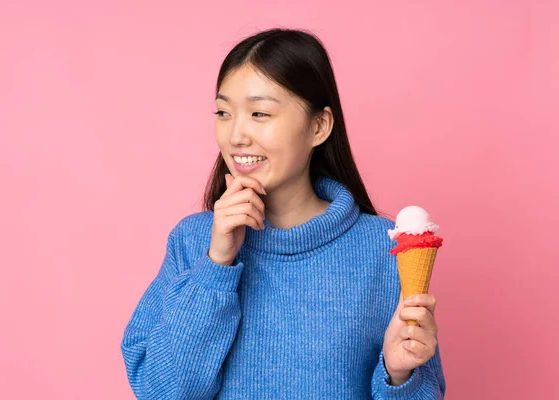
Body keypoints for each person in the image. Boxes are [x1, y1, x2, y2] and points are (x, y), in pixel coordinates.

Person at [120, 28, 446, 399]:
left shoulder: (384, 250)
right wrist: (216, 265)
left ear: (319, 126)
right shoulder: (193, 241)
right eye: (224, 112)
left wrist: (398, 374)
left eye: (259, 113)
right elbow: (160, 391)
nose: (236, 135)